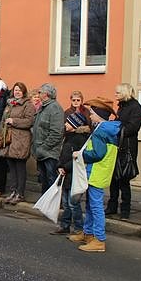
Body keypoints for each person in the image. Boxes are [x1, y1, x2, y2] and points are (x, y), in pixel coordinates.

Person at [68, 98, 121, 253]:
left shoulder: (101, 131)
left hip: (96, 171)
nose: (90, 116)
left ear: (98, 115)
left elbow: (97, 153)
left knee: (96, 206)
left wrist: (80, 154)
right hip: (100, 171)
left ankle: (99, 239)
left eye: (91, 113)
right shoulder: (108, 128)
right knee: (91, 204)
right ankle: (88, 233)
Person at [54, 91, 91, 235]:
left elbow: (76, 158)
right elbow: (63, 154)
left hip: (73, 174)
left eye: (68, 123)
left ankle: (79, 228)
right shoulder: (68, 137)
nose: (65, 124)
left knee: (73, 203)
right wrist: (59, 166)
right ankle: (65, 225)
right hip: (65, 174)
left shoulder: (79, 140)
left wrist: (64, 167)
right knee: (66, 203)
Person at [106, 83, 141, 220]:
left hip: (127, 148)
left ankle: (125, 209)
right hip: (117, 145)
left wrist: (116, 128)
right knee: (114, 178)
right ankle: (112, 205)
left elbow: (132, 127)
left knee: (124, 179)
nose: (115, 94)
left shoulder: (135, 107)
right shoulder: (122, 106)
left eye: (117, 92)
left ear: (124, 93)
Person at [0, 82, 36, 204]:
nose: (17, 92)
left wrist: (14, 121)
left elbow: (30, 121)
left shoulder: (28, 105)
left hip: (21, 140)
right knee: (12, 168)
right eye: (15, 90)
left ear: (23, 92)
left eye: (19, 90)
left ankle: (20, 193)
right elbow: (2, 122)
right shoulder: (9, 104)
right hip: (8, 139)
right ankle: (13, 191)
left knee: (20, 168)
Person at [32, 83, 65, 194]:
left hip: (49, 153)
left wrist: (43, 148)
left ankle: (53, 202)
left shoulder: (55, 108)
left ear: (46, 94)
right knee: (44, 180)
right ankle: (45, 201)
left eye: (40, 92)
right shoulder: (43, 107)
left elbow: (56, 133)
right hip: (41, 152)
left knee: (51, 180)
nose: (38, 94)